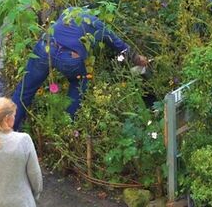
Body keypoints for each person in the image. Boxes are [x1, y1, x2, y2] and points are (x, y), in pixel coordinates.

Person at [10, 7, 148, 131]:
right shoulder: (97, 24)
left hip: (44, 48)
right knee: (80, 82)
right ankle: (67, 126)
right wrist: (137, 58)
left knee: (25, 89)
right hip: (69, 58)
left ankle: (7, 130)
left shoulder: (69, 10)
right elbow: (119, 46)